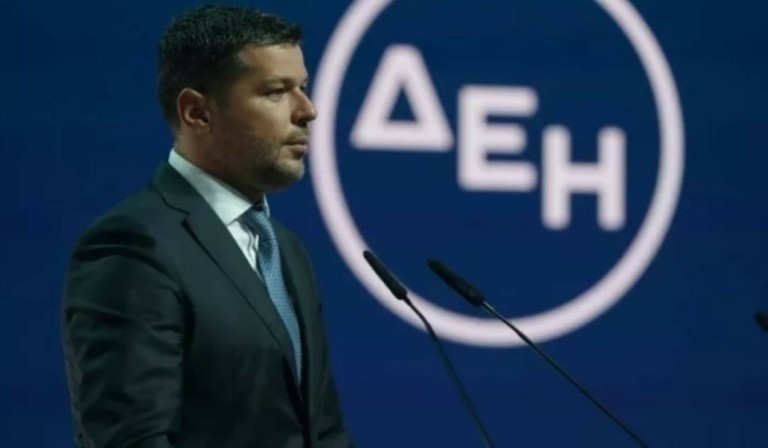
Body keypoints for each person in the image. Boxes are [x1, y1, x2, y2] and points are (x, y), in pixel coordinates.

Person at [60, 4, 355, 447]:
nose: (308, 110)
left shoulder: (285, 249)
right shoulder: (134, 245)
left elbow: (324, 432)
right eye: (276, 92)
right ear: (197, 112)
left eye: (304, 88)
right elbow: (133, 439)